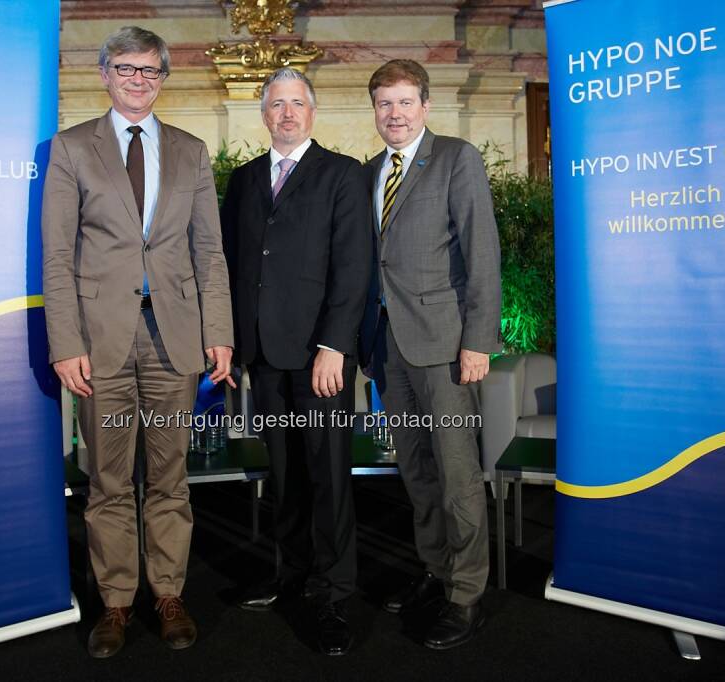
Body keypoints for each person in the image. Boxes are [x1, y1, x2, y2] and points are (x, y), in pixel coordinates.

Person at [41, 25, 234, 658]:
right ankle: (117, 602)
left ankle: (169, 593)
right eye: (126, 69)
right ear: (104, 74)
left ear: (161, 78)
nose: (138, 80)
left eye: (150, 71)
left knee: (172, 477)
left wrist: (219, 334)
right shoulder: (70, 150)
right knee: (109, 480)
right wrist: (65, 342)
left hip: (173, 341)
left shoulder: (190, 150)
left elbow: (209, 251)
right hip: (100, 343)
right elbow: (57, 255)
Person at [220, 68, 372, 656]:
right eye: (276, 104)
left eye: (296, 103)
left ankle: (332, 594)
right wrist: (230, 342)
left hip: (319, 358)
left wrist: (335, 344)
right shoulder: (244, 180)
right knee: (283, 473)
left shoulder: (342, 175)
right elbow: (235, 266)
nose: (286, 113)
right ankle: (290, 574)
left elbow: (354, 266)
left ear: (312, 112)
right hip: (263, 355)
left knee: (328, 475)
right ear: (264, 114)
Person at [358, 59, 502, 650]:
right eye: (384, 104)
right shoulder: (368, 172)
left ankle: (467, 593)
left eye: (404, 102)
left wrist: (477, 342)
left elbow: (482, 255)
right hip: (388, 349)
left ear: (425, 104)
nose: (394, 114)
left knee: (458, 475)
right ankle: (437, 570)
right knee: (416, 472)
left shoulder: (456, 158)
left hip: (444, 348)